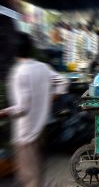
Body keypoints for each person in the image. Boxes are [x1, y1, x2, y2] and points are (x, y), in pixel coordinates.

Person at [0, 32, 69, 187]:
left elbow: (22, 107)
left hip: (25, 135)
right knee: (37, 173)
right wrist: (53, 96)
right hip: (42, 129)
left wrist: (4, 112)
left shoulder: (18, 72)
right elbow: (63, 82)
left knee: (30, 178)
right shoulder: (42, 67)